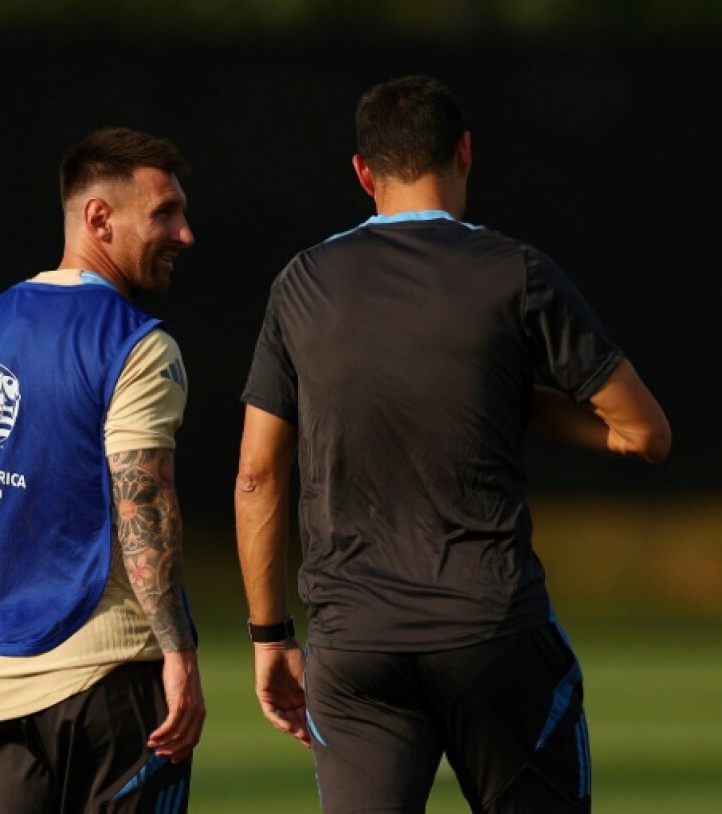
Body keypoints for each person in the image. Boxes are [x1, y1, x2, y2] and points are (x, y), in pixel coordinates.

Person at [234, 74, 671, 814]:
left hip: (354, 642)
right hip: (494, 633)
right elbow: (645, 433)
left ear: (363, 172)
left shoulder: (301, 283)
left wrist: (270, 637)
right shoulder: (516, 272)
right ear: (465, 153)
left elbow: (255, 476)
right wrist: (519, 397)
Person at [0, 126, 206, 813]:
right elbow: (142, 503)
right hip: (112, 682)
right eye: (165, 213)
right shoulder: (137, 346)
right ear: (100, 217)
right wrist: (178, 651)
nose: (185, 234)